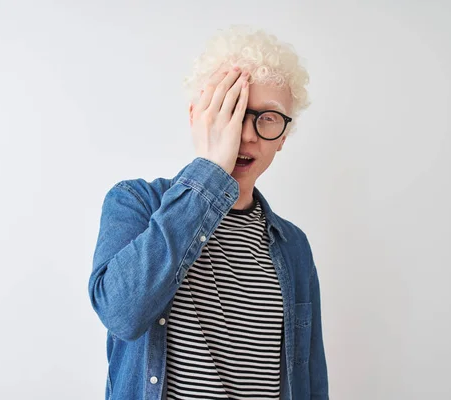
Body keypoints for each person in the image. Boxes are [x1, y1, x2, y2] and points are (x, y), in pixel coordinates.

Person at [88, 25, 329, 400]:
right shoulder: (135, 202)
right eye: (230, 110)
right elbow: (122, 314)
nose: (246, 134)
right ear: (196, 117)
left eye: (267, 118)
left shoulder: (294, 246)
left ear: (283, 136)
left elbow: (311, 380)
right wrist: (211, 171)